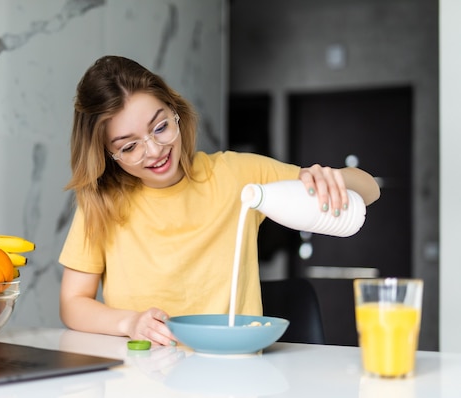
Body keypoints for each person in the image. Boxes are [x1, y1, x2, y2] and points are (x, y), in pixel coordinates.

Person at [58, 55, 380, 346]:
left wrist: (328, 178)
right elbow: (73, 303)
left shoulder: (238, 175)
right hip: (141, 382)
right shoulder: (102, 203)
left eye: (160, 127)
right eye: (129, 147)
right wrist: (129, 322)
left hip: (231, 378)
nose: (154, 150)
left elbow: (369, 191)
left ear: (175, 112)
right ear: (107, 155)